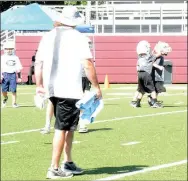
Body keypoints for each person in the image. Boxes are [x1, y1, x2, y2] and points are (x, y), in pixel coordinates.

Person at [35, 6, 102, 179]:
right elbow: (87, 63)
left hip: (52, 87)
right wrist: (96, 86)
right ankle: (54, 168)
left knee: (69, 126)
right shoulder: (77, 37)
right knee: (62, 128)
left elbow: (39, 63)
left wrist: (39, 85)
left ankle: (68, 162)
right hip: (69, 88)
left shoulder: (48, 36)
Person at [130, 40, 163, 108]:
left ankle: (137, 103)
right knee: (152, 89)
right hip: (146, 74)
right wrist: (161, 50)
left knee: (141, 90)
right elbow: (157, 55)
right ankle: (154, 102)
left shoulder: (139, 57)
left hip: (140, 74)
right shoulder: (149, 57)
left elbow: (152, 54)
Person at [148, 41, 172, 106]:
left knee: (158, 89)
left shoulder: (161, 57)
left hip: (158, 75)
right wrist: (158, 67)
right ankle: (153, 101)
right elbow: (151, 63)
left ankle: (152, 99)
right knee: (157, 89)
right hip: (154, 75)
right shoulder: (156, 56)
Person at [1, 41, 22, 108]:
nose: (9, 50)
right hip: (5, 75)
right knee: (4, 90)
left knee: (14, 90)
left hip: (13, 75)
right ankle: (5, 98)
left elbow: (18, 68)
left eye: (10, 48)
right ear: (5, 49)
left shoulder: (15, 57)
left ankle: (14, 103)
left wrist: (19, 77)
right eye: (7, 48)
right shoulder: (2, 57)